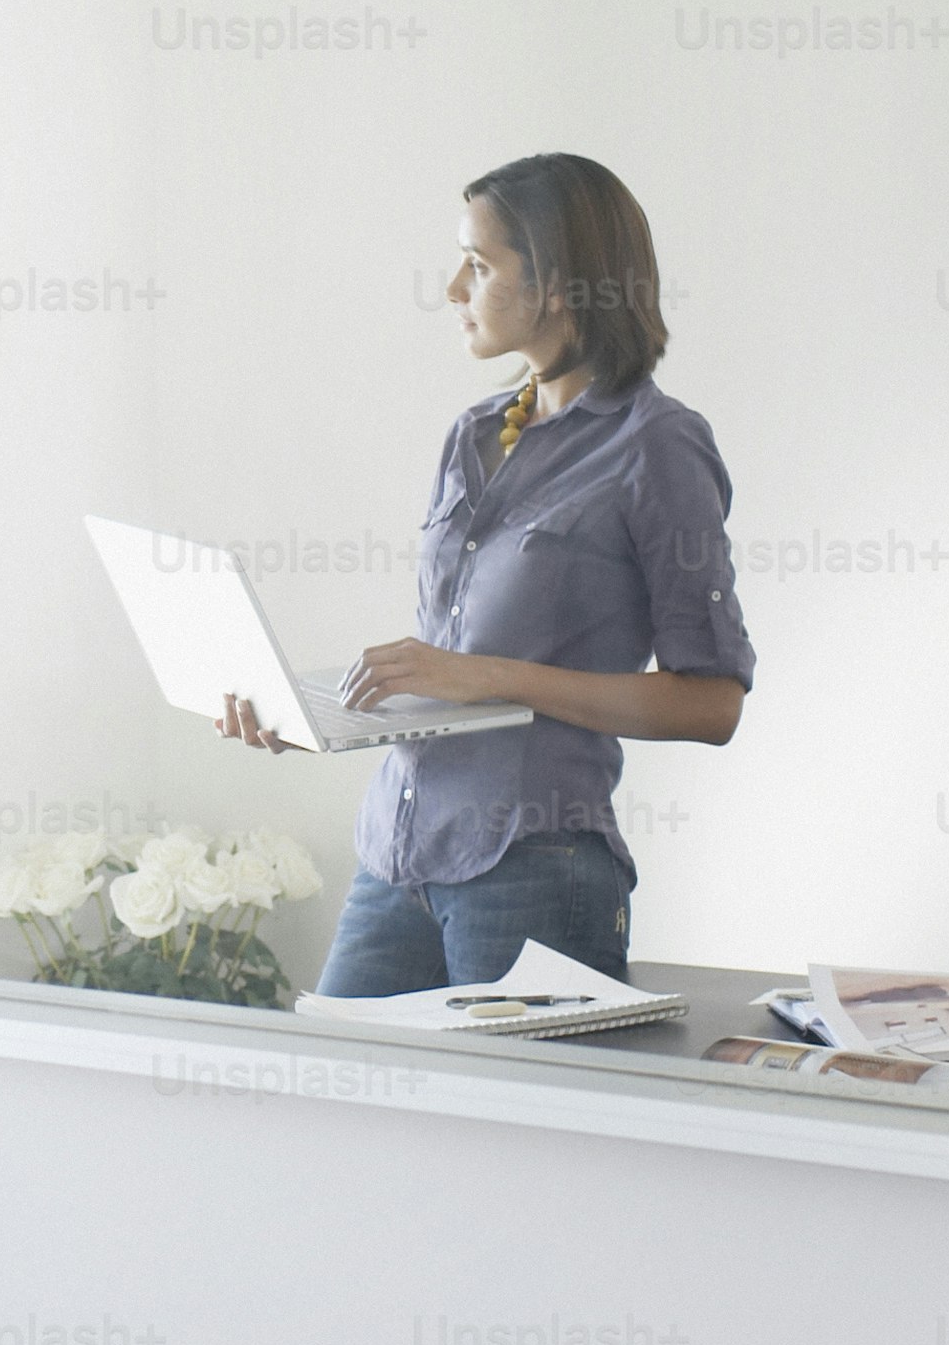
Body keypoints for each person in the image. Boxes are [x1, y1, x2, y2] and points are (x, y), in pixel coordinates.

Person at [221, 152, 752, 994]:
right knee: (335, 1114)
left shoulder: (658, 447)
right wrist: (320, 715)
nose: (451, 289)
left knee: (515, 1128)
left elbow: (713, 701)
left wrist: (486, 677)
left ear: (557, 282)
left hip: (536, 868)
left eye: (478, 264)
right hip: (398, 854)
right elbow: (449, 666)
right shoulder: (472, 435)